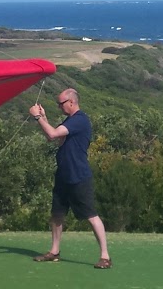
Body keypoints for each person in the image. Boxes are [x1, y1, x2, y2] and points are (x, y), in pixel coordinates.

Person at [29, 88, 112, 269]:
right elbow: (54, 138)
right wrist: (43, 118)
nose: (59, 107)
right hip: (63, 175)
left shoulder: (80, 120)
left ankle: (105, 256)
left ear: (71, 102)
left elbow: (52, 134)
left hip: (78, 175)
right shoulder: (70, 121)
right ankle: (54, 251)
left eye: (61, 103)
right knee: (57, 215)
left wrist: (38, 117)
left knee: (91, 215)